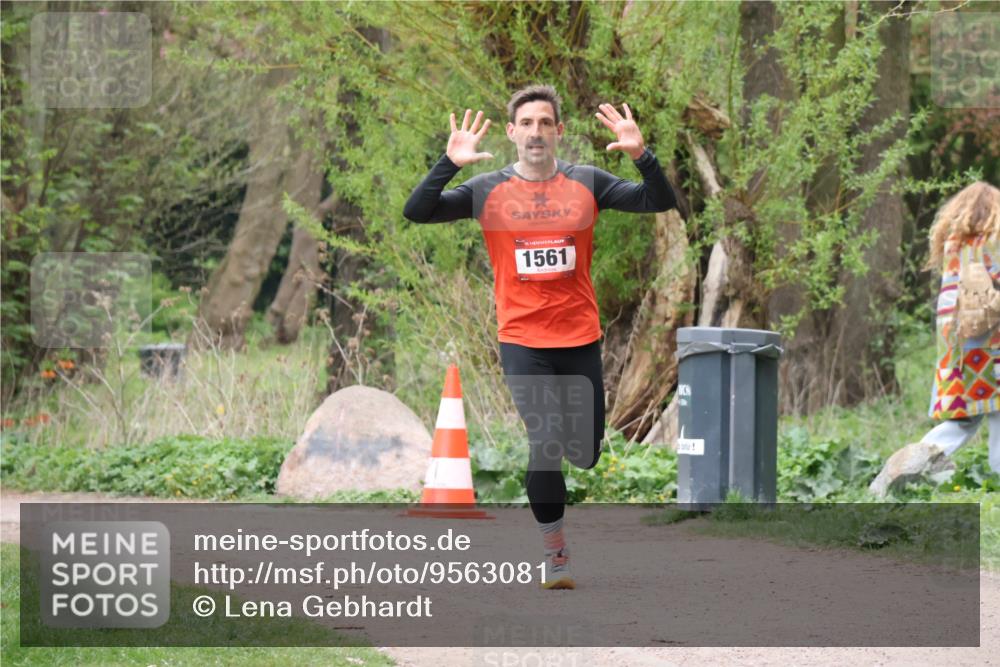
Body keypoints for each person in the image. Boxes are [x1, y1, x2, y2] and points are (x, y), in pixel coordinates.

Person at [403, 84, 677, 589]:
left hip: (579, 338)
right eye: (526, 124)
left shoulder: (588, 183)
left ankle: (575, 466)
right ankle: (556, 554)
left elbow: (658, 201)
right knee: (544, 443)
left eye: (544, 123)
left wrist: (642, 155)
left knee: (585, 451)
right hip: (523, 340)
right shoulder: (487, 190)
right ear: (511, 133)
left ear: (558, 131)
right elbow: (417, 211)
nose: (535, 132)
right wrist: (449, 163)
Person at [920, 181, 1000, 475]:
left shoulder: (952, 245)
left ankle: (915, 464)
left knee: (962, 420)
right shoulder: (994, 243)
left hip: (955, 351)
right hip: (991, 347)